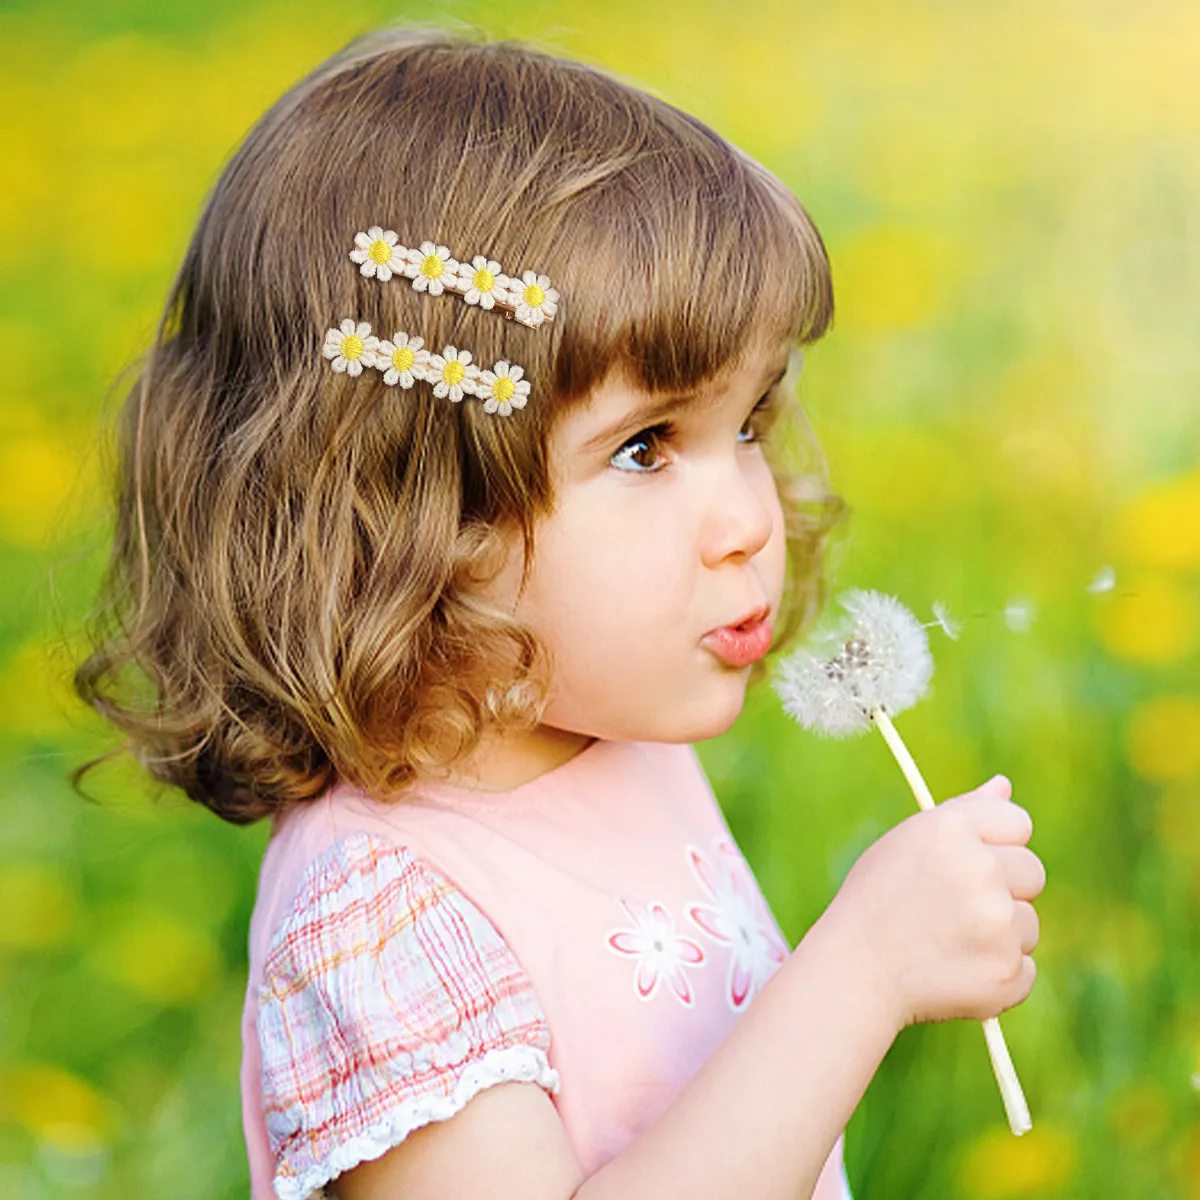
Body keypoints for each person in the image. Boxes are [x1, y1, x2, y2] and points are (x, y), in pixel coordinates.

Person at [71, 23, 1046, 1200]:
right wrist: (862, 975)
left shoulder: (613, 746)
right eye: (646, 447)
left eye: (746, 424)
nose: (749, 513)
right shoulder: (382, 923)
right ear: (410, 509)